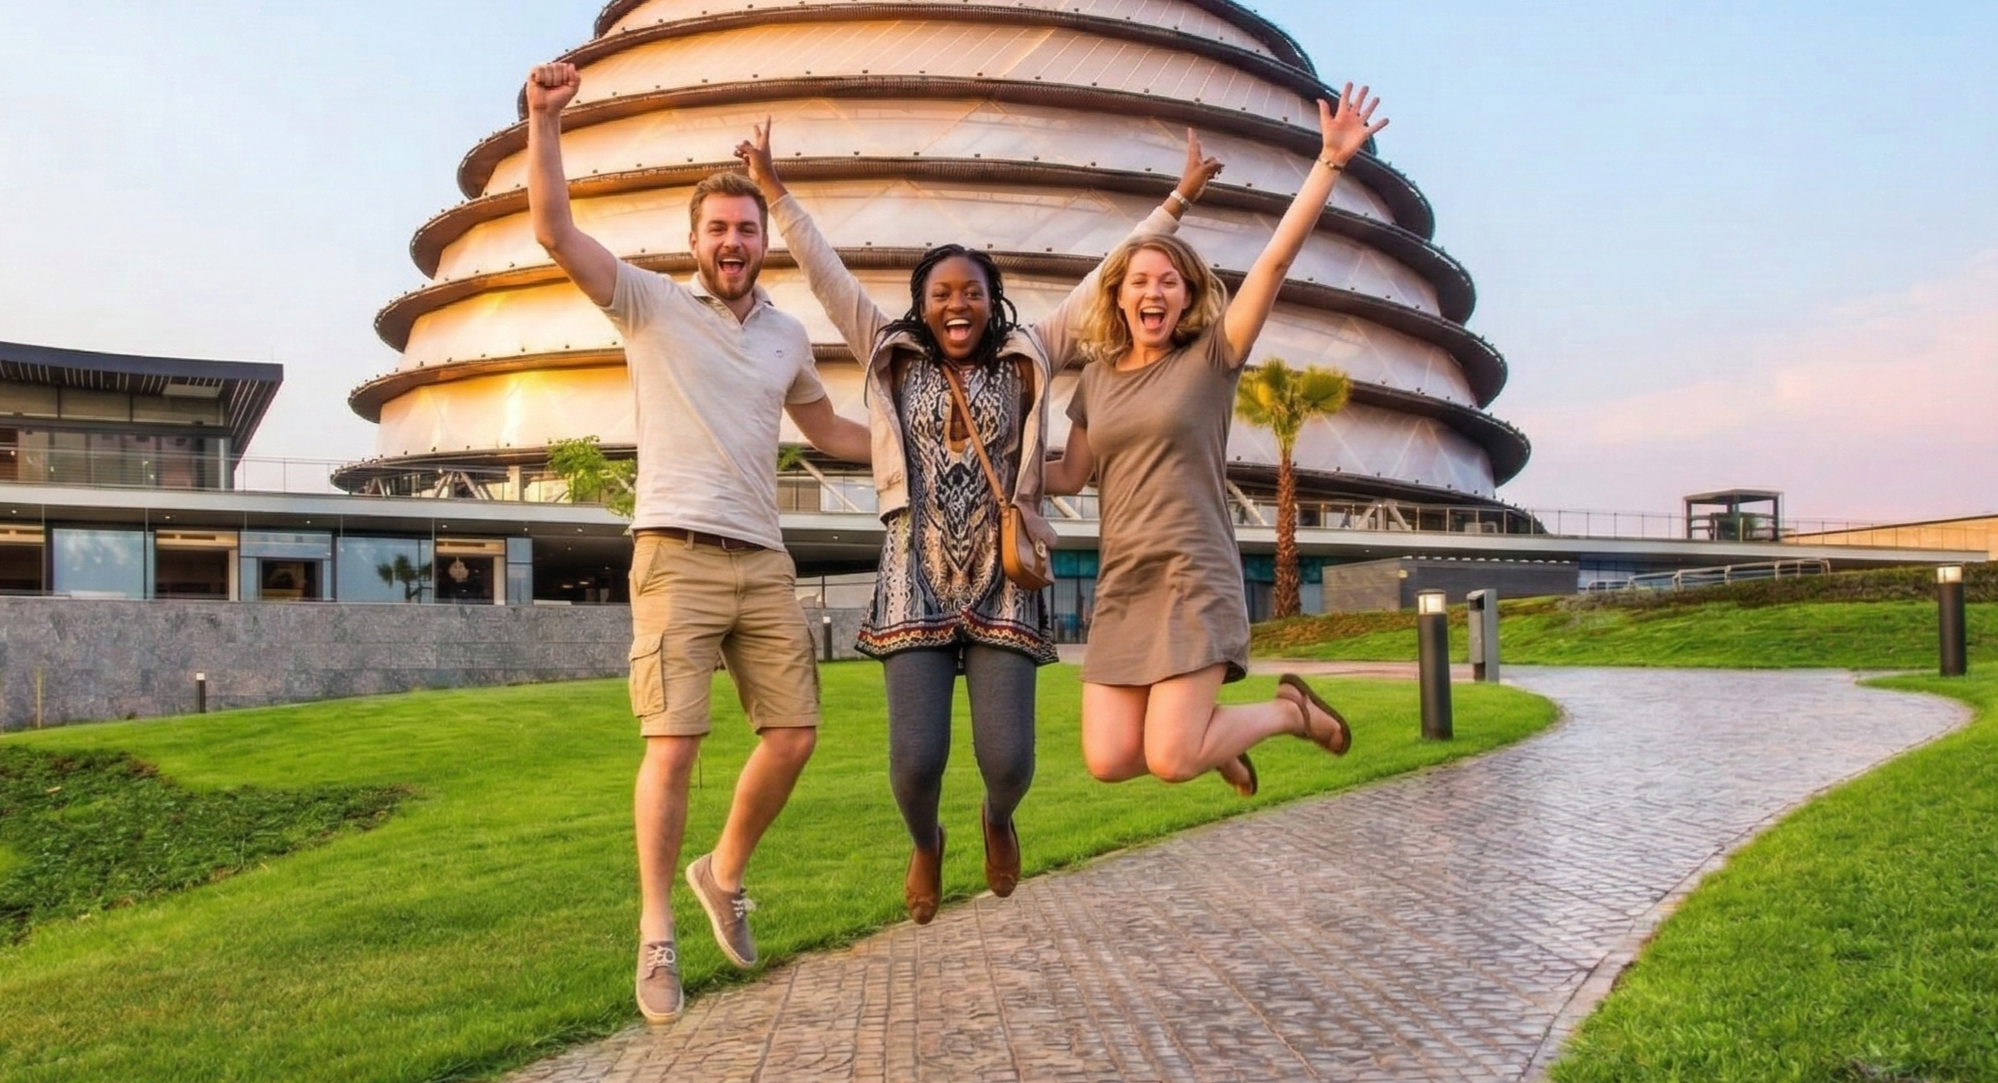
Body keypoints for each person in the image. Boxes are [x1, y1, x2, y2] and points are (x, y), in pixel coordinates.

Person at [741, 122, 1221, 924]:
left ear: (990, 300)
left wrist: (1175, 203)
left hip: (1005, 576)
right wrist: (773, 190)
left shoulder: (1028, 350)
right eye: (940, 293)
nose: (956, 304)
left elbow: (1108, 276)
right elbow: (827, 278)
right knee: (914, 759)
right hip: (913, 576)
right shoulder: (888, 349)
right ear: (921, 305)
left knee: (1008, 759)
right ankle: (925, 839)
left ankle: (997, 821)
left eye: (970, 292)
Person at [523, 62, 872, 1025]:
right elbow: (554, 231)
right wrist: (543, 121)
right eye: (717, 229)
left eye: (746, 229)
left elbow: (830, 432)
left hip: (761, 556)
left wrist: (922, 443)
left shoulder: (787, 334)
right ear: (693, 241)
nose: (733, 241)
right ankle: (655, 932)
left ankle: (720, 871)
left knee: (794, 735)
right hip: (673, 550)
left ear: (763, 242)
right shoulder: (647, 303)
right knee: (671, 748)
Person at [1045, 85, 1389, 794]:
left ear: (1187, 294)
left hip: (1191, 573)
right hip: (1123, 581)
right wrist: (991, 464)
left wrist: (1327, 165)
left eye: (1169, 280)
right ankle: (1209, 737)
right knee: (1110, 759)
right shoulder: (1098, 378)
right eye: (1139, 279)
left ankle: (1286, 713)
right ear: (1117, 295)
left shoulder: (1211, 358)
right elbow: (1068, 474)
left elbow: (1273, 264)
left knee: (1169, 758)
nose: (1154, 291)